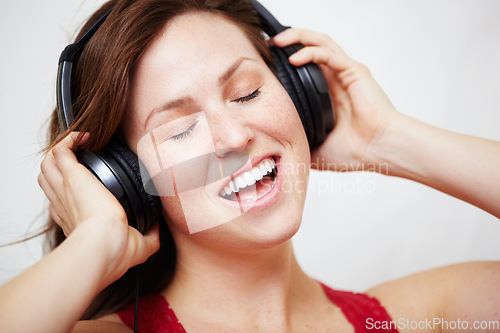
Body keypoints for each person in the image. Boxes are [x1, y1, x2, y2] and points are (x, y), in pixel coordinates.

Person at [0, 0, 499, 332]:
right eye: (179, 131)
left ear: (301, 95)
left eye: (248, 93)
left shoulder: (420, 317)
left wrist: (389, 141)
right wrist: (99, 238)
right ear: (124, 181)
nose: (234, 137)